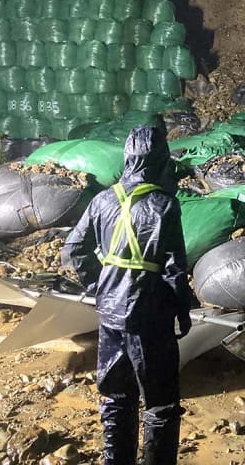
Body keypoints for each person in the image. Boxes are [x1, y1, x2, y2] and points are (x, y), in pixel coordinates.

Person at [62, 125, 192, 465]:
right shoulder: (165, 205)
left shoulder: (102, 200)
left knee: (117, 396)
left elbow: (74, 249)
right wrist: (182, 310)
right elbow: (175, 267)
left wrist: (98, 286)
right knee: (160, 402)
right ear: (160, 161)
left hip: (110, 314)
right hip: (150, 318)